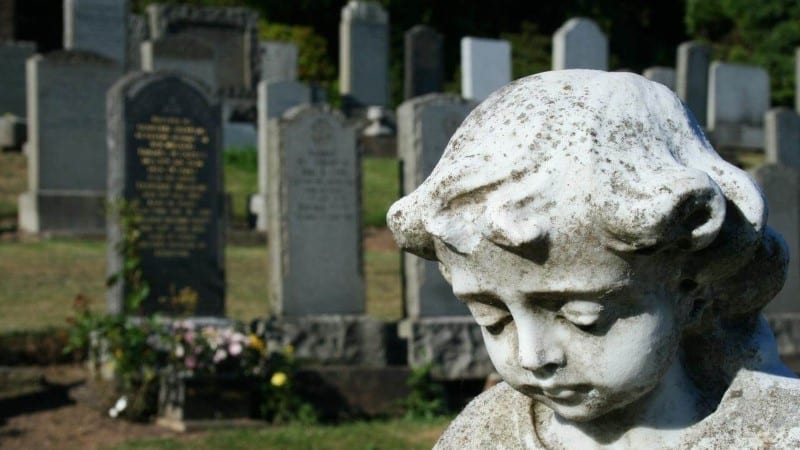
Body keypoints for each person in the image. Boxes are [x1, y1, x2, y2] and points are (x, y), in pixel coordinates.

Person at [387, 70, 800, 449]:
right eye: (493, 319)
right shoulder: (481, 436)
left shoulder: (775, 432)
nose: (532, 356)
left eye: (582, 317)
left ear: (693, 286)